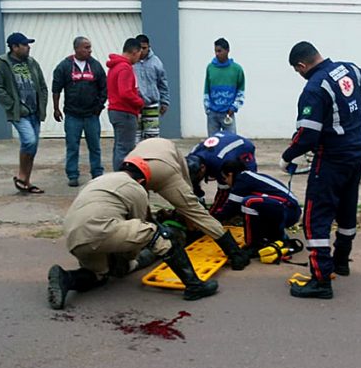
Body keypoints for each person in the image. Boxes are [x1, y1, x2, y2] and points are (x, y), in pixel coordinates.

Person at [47, 157, 218, 310]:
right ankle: (194, 286)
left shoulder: (100, 180)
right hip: (100, 230)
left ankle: (65, 278)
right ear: (142, 180)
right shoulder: (136, 188)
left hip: (73, 235)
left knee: (98, 275)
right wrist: (129, 260)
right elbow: (141, 228)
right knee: (155, 234)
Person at [279, 41, 361, 299]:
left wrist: (287, 156)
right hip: (356, 152)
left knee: (315, 218)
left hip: (332, 158)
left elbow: (308, 135)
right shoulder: (349, 70)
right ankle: (341, 261)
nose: (299, 75)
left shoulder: (314, 88)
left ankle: (321, 281)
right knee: (346, 208)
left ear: (301, 65)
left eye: (297, 70)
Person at [126, 138, 251, 271]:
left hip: (131, 167)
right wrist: (189, 216)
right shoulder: (174, 150)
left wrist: (151, 221)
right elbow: (188, 193)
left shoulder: (190, 152)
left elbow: (143, 204)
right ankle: (235, 253)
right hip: (161, 167)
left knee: (135, 218)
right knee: (196, 212)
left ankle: (126, 260)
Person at [0, 32, 49, 194]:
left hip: (34, 111)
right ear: (14, 47)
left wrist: (41, 105)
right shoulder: (2, 63)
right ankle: (22, 176)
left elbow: (43, 86)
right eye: (24, 45)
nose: (28, 47)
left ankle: (25, 181)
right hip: (19, 113)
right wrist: (14, 106)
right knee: (29, 141)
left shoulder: (32, 63)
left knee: (33, 147)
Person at [52, 36, 108, 187]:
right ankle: (72, 174)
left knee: (95, 146)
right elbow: (56, 88)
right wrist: (56, 108)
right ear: (76, 49)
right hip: (72, 115)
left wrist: (99, 106)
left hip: (91, 115)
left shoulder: (95, 66)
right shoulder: (64, 66)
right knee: (72, 146)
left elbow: (104, 87)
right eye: (86, 47)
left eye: (90, 47)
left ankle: (97, 173)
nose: (90, 50)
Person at [213, 159, 301, 254]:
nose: (226, 182)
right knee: (251, 205)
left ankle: (253, 244)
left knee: (248, 203)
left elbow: (231, 207)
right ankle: (273, 237)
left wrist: (211, 221)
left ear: (230, 174)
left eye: (224, 178)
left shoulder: (242, 180)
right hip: (288, 209)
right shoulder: (249, 177)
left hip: (288, 211)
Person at [185, 132, 257, 216]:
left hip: (243, 147)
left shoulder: (219, 163)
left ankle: (242, 210)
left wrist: (212, 215)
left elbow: (223, 193)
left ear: (202, 167)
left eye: (196, 176)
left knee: (245, 181)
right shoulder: (192, 155)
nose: (194, 178)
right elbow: (192, 185)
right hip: (222, 144)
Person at [107, 38, 144, 171]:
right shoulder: (125, 68)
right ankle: (122, 176)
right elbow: (125, 92)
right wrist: (139, 102)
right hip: (125, 112)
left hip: (115, 111)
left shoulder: (115, 66)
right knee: (125, 148)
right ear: (134, 52)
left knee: (119, 146)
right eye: (139, 54)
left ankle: (117, 173)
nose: (139, 58)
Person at [203, 37, 245, 135]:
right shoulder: (210, 68)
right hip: (213, 114)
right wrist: (208, 109)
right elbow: (206, 90)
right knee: (213, 143)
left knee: (231, 142)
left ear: (227, 51)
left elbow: (240, 91)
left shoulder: (237, 69)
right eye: (215, 51)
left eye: (219, 51)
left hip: (228, 113)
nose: (217, 54)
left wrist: (234, 107)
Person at [133, 34, 170, 142]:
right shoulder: (131, 63)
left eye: (144, 48)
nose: (142, 51)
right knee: (135, 137)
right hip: (135, 105)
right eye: (139, 48)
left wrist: (165, 101)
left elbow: (162, 83)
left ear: (149, 47)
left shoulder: (156, 62)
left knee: (152, 138)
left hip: (152, 105)